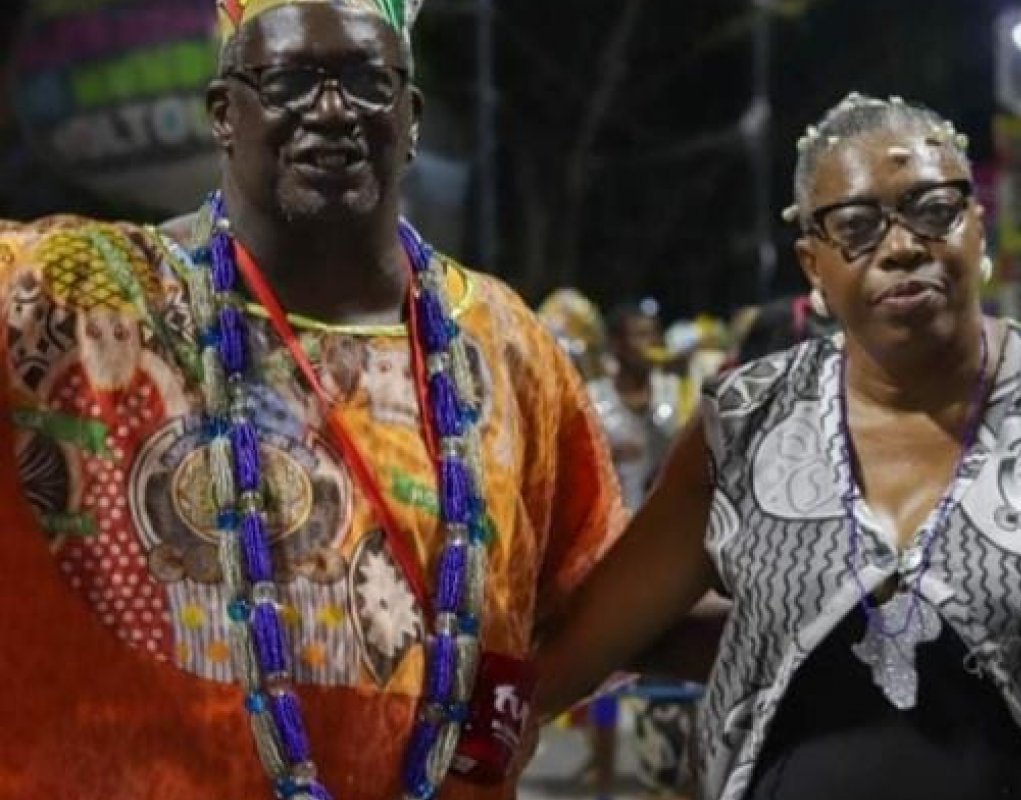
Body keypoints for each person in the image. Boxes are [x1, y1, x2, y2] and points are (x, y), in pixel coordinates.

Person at [0, 2, 625, 799]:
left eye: (367, 81)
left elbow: (584, 603)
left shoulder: (500, 344)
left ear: (412, 118)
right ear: (224, 114)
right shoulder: (68, 294)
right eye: (291, 80)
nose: (331, 111)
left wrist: (489, 744)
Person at [535, 92, 1021, 800]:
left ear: (979, 228)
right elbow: (591, 642)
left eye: (934, 209)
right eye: (856, 225)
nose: (903, 245)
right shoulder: (746, 422)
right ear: (813, 266)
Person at [588, 302, 684, 511]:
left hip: (661, 521)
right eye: (640, 336)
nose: (651, 344)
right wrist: (609, 454)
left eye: (654, 335)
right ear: (616, 345)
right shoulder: (592, 399)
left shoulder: (675, 392)